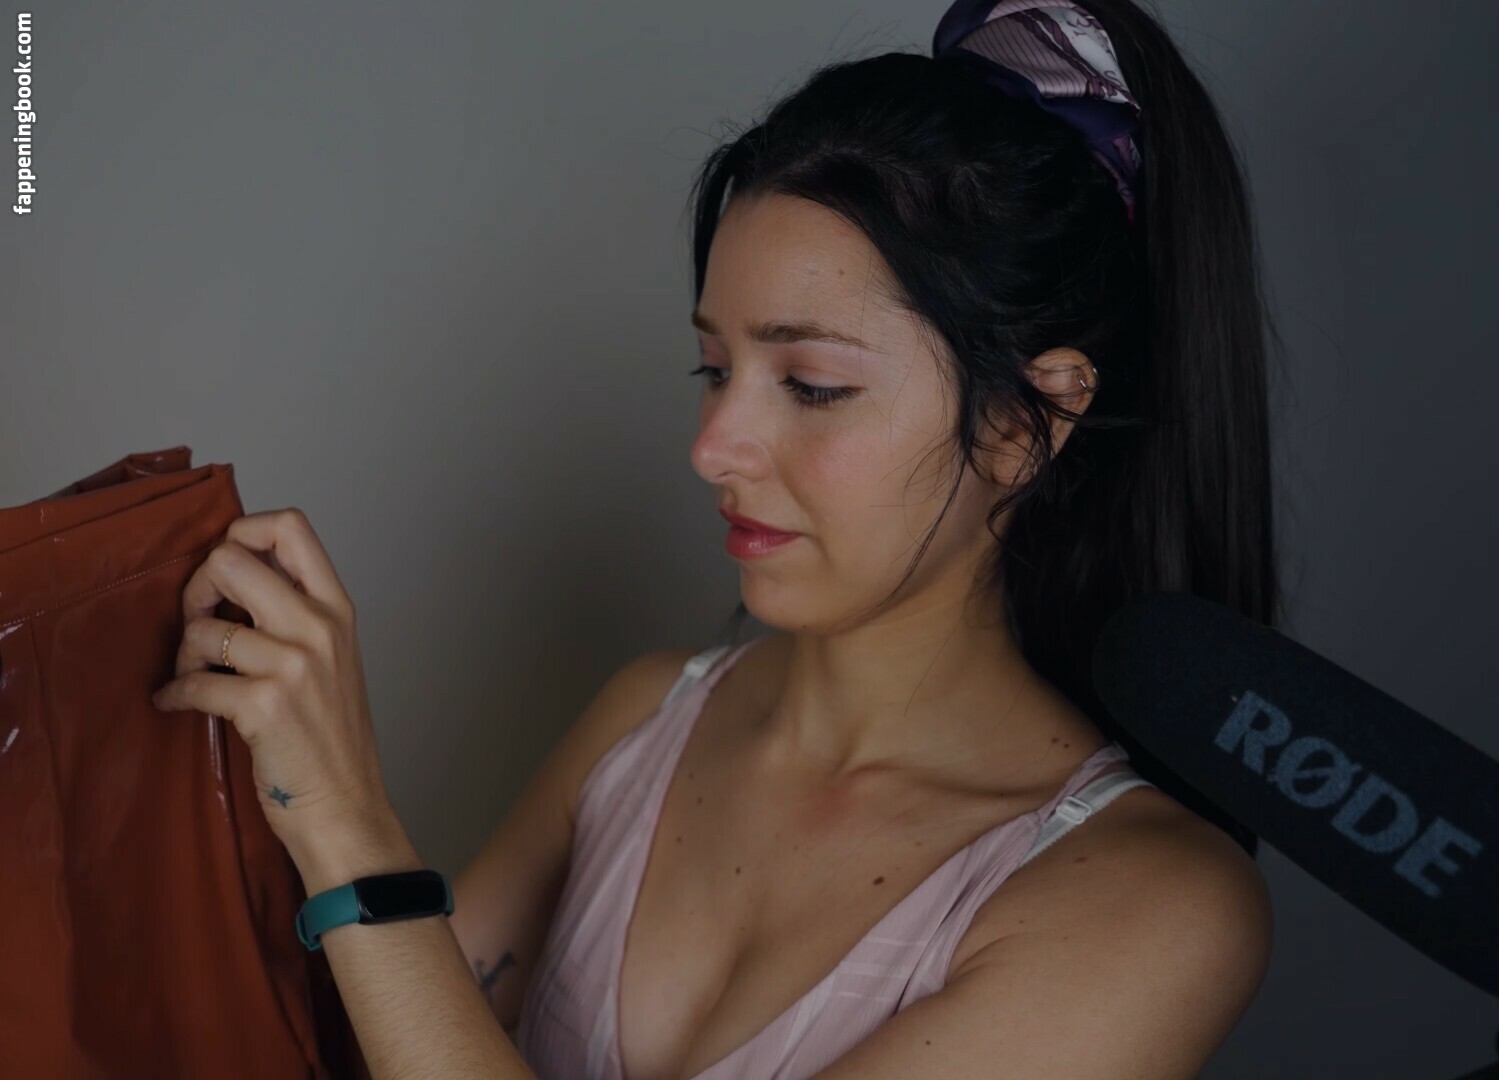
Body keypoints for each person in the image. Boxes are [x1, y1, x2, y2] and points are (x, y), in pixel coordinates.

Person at [153, 2, 1279, 1077]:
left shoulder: (1154, 904)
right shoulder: (645, 720)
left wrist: (349, 825)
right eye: (713, 368)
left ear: (1021, 427)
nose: (711, 447)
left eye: (813, 385)